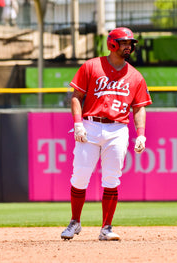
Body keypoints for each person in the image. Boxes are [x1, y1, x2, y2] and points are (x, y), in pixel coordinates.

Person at [61, 27, 152, 241]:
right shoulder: (91, 66)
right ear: (112, 43)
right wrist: (78, 124)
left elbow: (139, 107)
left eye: (130, 43)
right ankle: (75, 222)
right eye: (124, 42)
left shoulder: (135, 76)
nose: (129, 46)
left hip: (118, 128)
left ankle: (106, 228)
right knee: (80, 176)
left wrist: (141, 134)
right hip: (90, 125)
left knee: (112, 178)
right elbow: (76, 96)